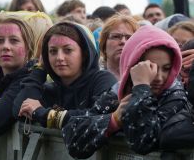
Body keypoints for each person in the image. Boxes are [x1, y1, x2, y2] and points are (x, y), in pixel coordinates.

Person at [61, 25, 191, 158]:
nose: (159, 77)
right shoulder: (116, 95)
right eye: (150, 67)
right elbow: (73, 135)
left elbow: (143, 140)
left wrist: (141, 87)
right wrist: (113, 120)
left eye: (166, 68)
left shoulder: (175, 97)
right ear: (132, 66)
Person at [13, 21, 117, 143]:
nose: (59, 58)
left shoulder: (103, 79)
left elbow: (97, 116)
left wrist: (44, 114)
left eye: (68, 50)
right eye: (52, 51)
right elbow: (19, 111)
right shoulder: (51, 89)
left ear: (84, 54)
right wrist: (40, 68)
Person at [99, 14, 139, 79]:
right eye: (116, 36)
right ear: (104, 45)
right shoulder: (93, 80)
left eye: (129, 38)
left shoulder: (146, 79)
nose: (123, 41)